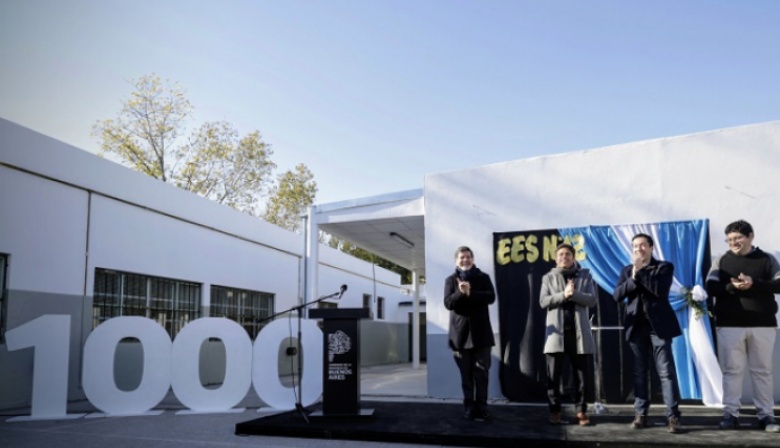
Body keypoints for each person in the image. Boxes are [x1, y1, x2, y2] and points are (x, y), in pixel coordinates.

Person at [705, 220, 780, 432]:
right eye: (729, 239)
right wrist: (732, 286)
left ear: (750, 236)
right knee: (732, 371)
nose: (733, 242)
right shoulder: (722, 260)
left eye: (737, 238)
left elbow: (779, 284)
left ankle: (766, 416)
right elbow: (711, 286)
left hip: (763, 325)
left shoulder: (767, 260)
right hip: (729, 325)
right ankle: (730, 414)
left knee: (762, 371)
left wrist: (754, 283)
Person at [613, 233, 682, 433]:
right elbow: (618, 295)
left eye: (643, 245)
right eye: (635, 246)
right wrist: (634, 274)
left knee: (666, 372)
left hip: (658, 327)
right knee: (639, 373)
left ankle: (673, 416)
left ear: (651, 248)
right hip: (636, 327)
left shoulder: (664, 267)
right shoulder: (627, 270)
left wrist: (640, 271)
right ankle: (641, 414)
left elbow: (658, 291)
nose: (639, 249)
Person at [540, 243, 597, 426]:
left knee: (581, 377)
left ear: (573, 257)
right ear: (556, 258)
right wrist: (563, 295)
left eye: (568, 254)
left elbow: (591, 300)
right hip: (557, 336)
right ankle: (555, 411)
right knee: (554, 377)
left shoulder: (586, 276)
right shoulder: (548, 278)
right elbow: (543, 301)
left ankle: (581, 411)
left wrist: (574, 294)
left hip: (578, 335)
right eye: (561, 255)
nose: (564, 257)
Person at [444, 246, 496, 421]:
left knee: (482, 375)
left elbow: (490, 297)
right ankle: (469, 407)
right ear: (456, 261)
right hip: (460, 337)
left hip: (482, 335)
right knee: (466, 376)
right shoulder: (450, 280)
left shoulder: (483, 278)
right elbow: (448, 303)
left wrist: (470, 293)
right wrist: (460, 292)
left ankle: (482, 407)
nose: (465, 260)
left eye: (468, 257)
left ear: (473, 259)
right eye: (461, 257)